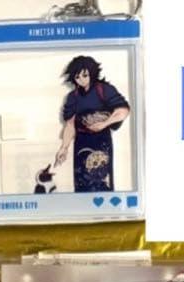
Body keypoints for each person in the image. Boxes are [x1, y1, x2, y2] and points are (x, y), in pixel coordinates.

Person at [55, 56, 130, 193]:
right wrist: (64, 148)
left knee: (102, 179)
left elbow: (123, 110)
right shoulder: (73, 97)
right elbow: (70, 124)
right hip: (81, 142)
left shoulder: (104, 89)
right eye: (77, 77)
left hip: (101, 141)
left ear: (92, 73)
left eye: (85, 75)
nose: (81, 80)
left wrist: (105, 123)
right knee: (81, 182)